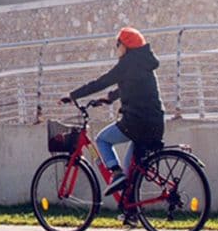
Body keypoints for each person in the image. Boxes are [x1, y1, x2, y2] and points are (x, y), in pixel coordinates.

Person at [60, 27, 165, 198]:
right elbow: (132, 85)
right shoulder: (144, 64)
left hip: (136, 123)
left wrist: (73, 95)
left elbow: (101, 82)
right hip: (156, 123)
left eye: (118, 44)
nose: (116, 49)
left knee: (102, 139)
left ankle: (115, 174)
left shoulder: (127, 64)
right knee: (130, 173)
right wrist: (110, 98)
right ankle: (131, 212)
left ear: (125, 46)